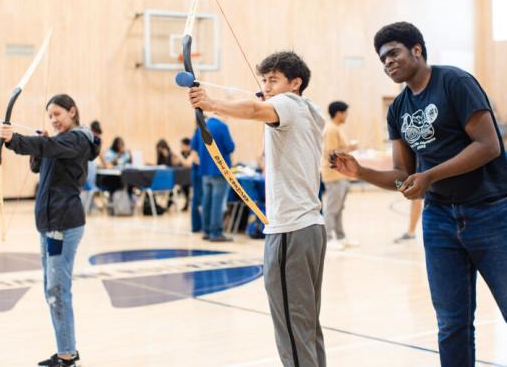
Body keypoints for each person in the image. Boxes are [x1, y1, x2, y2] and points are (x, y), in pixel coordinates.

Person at [330, 22, 507, 367]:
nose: (388, 63)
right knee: (451, 324)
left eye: (393, 53)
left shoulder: (455, 82)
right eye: (382, 59)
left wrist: (430, 176)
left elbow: (489, 146)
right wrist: (362, 172)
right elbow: (403, 176)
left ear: (417, 50)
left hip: (490, 213)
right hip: (440, 220)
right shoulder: (397, 110)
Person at [187, 51, 326, 366]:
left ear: (296, 83)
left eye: (273, 80)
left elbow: (252, 108)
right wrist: (263, 101)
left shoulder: (288, 104)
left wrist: (211, 104)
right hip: (311, 228)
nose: (266, 86)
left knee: (291, 326)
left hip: (290, 229)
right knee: (305, 324)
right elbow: (261, 112)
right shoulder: (312, 111)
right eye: (264, 79)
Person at [0, 94, 100, 367]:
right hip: (49, 224)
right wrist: (39, 145)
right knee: (51, 290)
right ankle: (66, 350)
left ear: (72, 111)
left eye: (58, 114)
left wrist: (14, 140)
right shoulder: (59, 142)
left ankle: (67, 356)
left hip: (63, 225)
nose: (54, 120)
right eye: (50, 116)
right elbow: (38, 164)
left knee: (57, 291)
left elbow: (50, 147)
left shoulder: (78, 139)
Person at [191, 115, 235, 242]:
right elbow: (230, 147)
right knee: (217, 203)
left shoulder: (201, 126)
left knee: (207, 202)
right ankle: (215, 233)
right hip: (220, 170)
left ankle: (206, 231)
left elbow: (193, 146)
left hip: (204, 170)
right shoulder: (222, 127)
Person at [322, 101, 358, 251]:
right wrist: (349, 148)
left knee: (339, 207)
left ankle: (341, 236)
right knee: (332, 207)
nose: (347, 116)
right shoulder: (330, 129)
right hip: (333, 174)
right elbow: (330, 152)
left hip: (341, 174)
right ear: (338, 113)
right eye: (345, 113)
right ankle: (328, 238)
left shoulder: (337, 128)